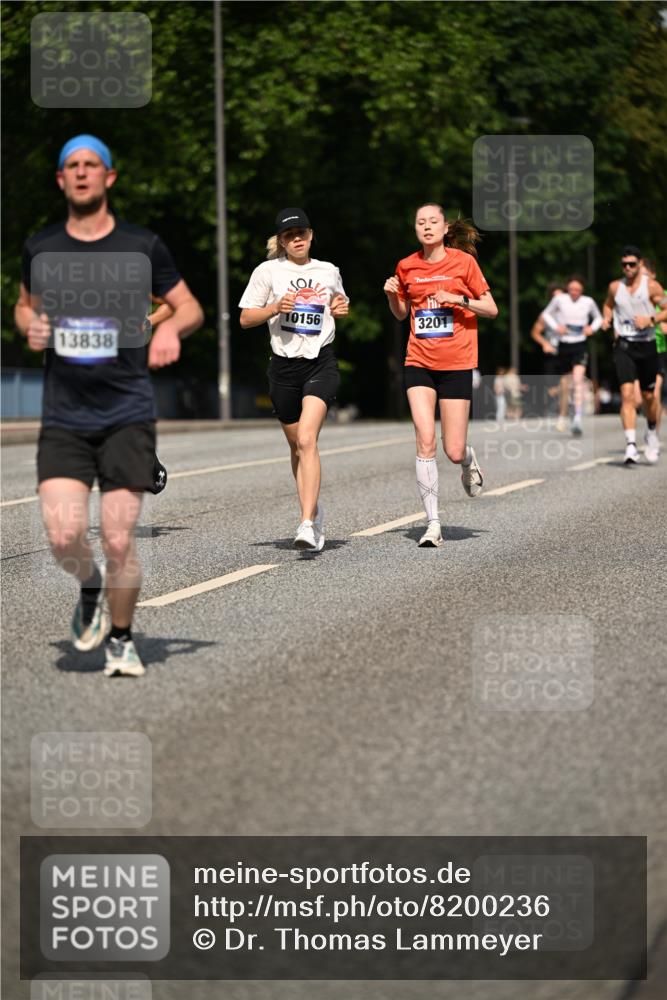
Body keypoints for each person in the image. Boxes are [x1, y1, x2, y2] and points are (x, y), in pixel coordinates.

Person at [14, 134, 204, 676]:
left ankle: (121, 639)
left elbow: (187, 307)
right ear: (60, 179)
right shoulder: (42, 247)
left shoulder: (142, 247)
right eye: (70, 165)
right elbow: (24, 308)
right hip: (65, 416)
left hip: (127, 412)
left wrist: (170, 333)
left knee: (119, 537)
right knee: (62, 534)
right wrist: (31, 327)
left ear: (108, 177)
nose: (80, 173)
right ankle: (89, 585)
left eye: (90, 165)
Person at [384, 203, 498, 547]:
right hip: (419, 360)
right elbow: (403, 314)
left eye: (433, 221)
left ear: (445, 228)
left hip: (457, 363)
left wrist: (459, 299)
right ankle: (432, 523)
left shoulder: (464, 263)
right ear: (415, 229)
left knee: (453, 449)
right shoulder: (406, 265)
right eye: (421, 222)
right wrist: (393, 296)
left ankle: (467, 459)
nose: (427, 227)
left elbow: (491, 309)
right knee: (425, 438)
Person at [239, 207, 349, 551]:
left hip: (320, 363)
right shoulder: (268, 271)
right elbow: (245, 319)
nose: (297, 239)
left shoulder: (328, 271)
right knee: (295, 447)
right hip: (284, 368)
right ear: (282, 241)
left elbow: (338, 303)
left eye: (301, 233)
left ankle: (306, 523)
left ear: (311, 234)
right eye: (289, 235)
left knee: (306, 439)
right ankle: (314, 509)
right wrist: (274, 308)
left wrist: (341, 308)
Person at [601, 245, 667, 464]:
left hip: (647, 346)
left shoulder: (652, 286)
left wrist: (651, 320)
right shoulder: (614, 287)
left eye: (631, 264)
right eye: (624, 264)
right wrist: (606, 319)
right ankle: (630, 445)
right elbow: (608, 305)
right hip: (624, 345)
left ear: (640, 264)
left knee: (649, 397)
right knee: (627, 395)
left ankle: (651, 432)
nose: (627, 268)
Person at [541, 276, 602, 435]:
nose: (575, 293)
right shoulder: (560, 299)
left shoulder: (588, 302)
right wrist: (556, 327)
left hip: (580, 344)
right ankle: (562, 416)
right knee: (565, 384)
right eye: (572, 289)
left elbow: (598, 318)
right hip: (564, 344)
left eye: (578, 290)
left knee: (577, 380)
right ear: (568, 289)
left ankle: (577, 417)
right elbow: (546, 314)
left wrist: (592, 329)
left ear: (582, 291)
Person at [529, 281, 568, 425]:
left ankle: (562, 416)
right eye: (554, 297)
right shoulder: (546, 315)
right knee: (552, 389)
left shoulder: (572, 312)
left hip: (567, 351)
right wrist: (545, 343)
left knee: (565, 383)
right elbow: (535, 332)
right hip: (552, 353)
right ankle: (551, 409)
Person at [641, 259, 667, 436]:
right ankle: (651, 423)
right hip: (634, 350)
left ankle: (653, 434)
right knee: (637, 398)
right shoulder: (630, 296)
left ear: (653, 276)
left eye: (645, 276)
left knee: (655, 393)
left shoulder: (663, 295)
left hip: (658, 350)